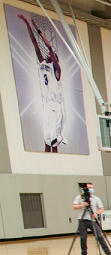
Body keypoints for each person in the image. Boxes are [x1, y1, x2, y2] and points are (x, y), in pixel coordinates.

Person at [16, 13, 65, 153]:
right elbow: (34, 44)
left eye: (51, 54)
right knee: (46, 139)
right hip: (47, 104)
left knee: (54, 142)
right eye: (49, 54)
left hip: (56, 106)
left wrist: (38, 29)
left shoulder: (56, 69)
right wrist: (26, 23)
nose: (48, 54)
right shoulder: (43, 63)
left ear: (55, 59)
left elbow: (49, 47)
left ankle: (57, 165)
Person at [72, 182, 111, 255]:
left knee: (99, 236)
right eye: (89, 187)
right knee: (83, 237)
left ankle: (108, 252)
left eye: (92, 188)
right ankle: (84, 254)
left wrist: (97, 214)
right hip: (82, 220)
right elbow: (74, 206)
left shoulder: (96, 198)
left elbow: (101, 208)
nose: (91, 189)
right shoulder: (79, 197)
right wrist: (82, 205)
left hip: (93, 220)